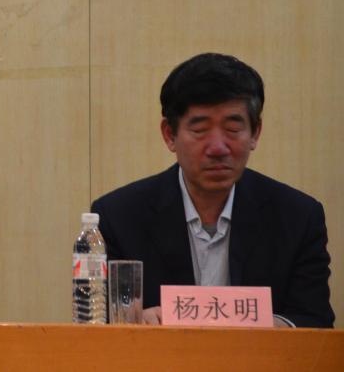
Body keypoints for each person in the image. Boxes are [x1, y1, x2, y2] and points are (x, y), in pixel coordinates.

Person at [92, 53, 334, 328]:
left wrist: (271, 326)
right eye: (200, 130)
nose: (218, 148)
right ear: (170, 135)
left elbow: (315, 321)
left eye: (232, 128)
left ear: (255, 133)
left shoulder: (298, 217)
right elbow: (99, 325)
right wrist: (136, 322)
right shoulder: (118, 217)